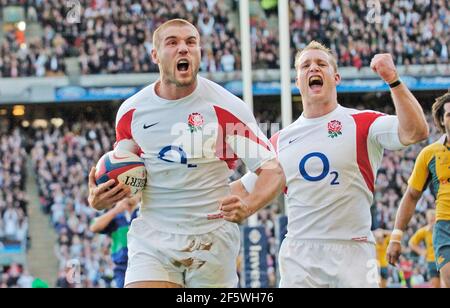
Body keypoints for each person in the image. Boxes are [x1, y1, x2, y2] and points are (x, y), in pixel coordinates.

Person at [88, 19, 285, 288]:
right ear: (155, 55)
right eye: (173, 42)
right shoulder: (132, 111)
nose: (184, 48)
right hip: (153, 237)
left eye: (191, 42)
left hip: (211, 239)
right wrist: (100, 197)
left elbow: (272, 171)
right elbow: (122, 171)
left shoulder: (226, 108)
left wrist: (249, 206)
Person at [233, 41, 429, 287]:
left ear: (335, 77)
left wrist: (394, 80)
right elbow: (243, 188)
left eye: (321, 64)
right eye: (305, 65)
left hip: (354, 252)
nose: (313, 68)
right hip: (300, 253)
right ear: (297, 81)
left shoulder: (363, 123)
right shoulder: (279, 141)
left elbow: (416, 132)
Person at [387, 92, 450, 288]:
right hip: (445, 227)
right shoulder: (429, 154)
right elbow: (411, 196)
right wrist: (396, 237)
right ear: (441, 119)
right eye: (449, 114)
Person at [90, 196, 140, 288]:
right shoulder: (116, 217)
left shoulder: (142, 212)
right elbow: (93, 227)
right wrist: (116, 210)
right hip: (122, 267)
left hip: (143, 262)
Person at [408, 210, 440, 288]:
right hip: (431, 261)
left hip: (443, 260)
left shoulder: (442, 230)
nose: (432, 223)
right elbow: (411, 243)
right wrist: (421, 251)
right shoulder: (425, 231)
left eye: (434, 220)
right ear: (427, 220)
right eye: (430, 221)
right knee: (435, 285)